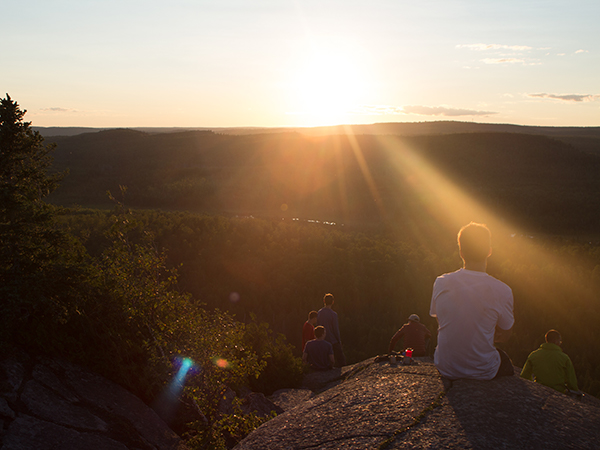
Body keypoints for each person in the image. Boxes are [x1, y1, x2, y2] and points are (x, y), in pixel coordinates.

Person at [430, 222, 514, 380]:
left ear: (461, 252)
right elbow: (506, 333)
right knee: (504, 360)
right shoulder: (503, 290)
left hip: (445, 366)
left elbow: (441, 322)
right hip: (483, 371)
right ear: (489, 252)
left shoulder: (441, 282)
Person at [318, 293, 346, 367]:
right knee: (341, 361)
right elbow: (335, 329)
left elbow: (318, 326)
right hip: (333, 340)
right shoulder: (333, 314)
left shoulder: (319, 313)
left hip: (322, 339)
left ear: (324, 301)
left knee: (325, 360)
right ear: (333, 302)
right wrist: (339, 341)